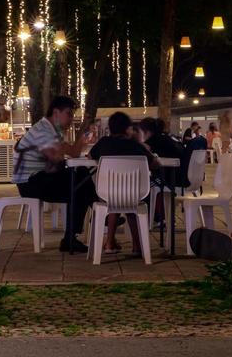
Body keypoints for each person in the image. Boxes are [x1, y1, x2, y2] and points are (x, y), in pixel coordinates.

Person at [12, 95, 95, 253]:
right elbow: (58, 157)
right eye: (69, 114)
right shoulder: (45, 130)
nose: (71, 119)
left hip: (38, 178)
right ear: (56, 112)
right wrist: (66, 146)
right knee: (79, 182)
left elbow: (73, 153)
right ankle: (93, 216)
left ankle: (72, 237)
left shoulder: (52, 130)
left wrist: (82, 131)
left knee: (80, 180)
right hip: (30, 182)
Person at [87, 111, 154, 256]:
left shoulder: (104, 142)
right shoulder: (136, 146)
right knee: (128, 202)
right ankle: (137, 245)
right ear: (127, 129)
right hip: (135, 194)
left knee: (115, 198)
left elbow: (90, 156)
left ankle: (110, 243)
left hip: (107, 193)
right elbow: (154, 163)